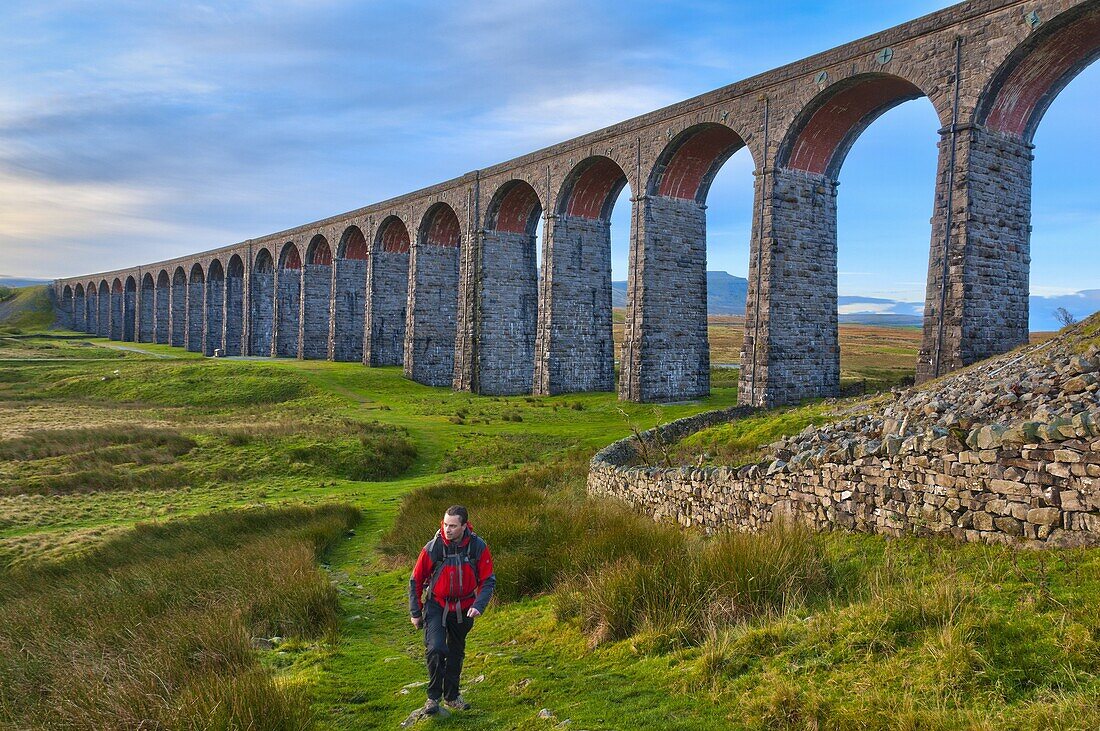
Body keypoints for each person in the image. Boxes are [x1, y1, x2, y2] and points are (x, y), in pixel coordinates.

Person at [409, 505, 496, 714]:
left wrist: (478, 605)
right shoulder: (433, 547)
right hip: (436, 605)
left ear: (464, 526)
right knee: (437, 649)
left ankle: (452, 696)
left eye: (453, 526)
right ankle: (433, 698)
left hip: (465, 608)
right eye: (445, 524)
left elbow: (488, 580)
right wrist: (415, 611)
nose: (447, 529)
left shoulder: (478, 547)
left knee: (456, 652)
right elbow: (416, 580)